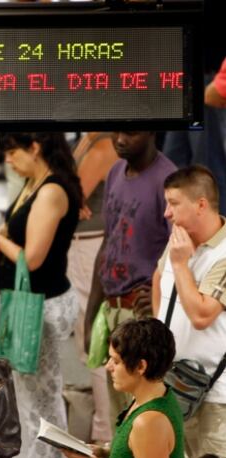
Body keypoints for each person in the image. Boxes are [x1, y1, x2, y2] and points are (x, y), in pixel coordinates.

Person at [0, 132, 82, 458]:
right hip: (29, 302)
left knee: (44, 400)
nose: (7, 159)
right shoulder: (35, 182)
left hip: (41, 307)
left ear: (35, 147)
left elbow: (31, 259)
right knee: (33, 399)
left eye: (12, 151)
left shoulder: (51, 191)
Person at [83, 131, 176, 427]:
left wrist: (162, 293)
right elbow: (108, 243)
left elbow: (185, 250)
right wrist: (91, 313)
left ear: (150, 132)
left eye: (131, 132)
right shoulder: (115, 172)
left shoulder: (168, 180)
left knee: (144, 418)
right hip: (112, 308)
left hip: (141, 312)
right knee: (118, 419)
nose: (120, 139)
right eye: (116, 132)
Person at [153, 165, 226, 458]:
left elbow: (201, 316)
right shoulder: (178, 240)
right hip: (170, 386)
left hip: (214, 398)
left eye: (173, 203)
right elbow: (158, 279)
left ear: (200, 205)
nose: (166, 214)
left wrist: (182, 264)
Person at [64, 318, 185, 458]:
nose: (108, 367)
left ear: (141, 366)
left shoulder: (148, 422)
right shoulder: (156, 396)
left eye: (116, 361)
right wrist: (107, 454)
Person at [67, 132, 118, 444]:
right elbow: (63, 189)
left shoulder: (104, 146)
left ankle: (104, 433)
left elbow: (62, 197)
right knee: (89, 344)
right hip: (83, 245)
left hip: (88, 247)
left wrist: (70, 198)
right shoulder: (92, 141)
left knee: (94, 344)